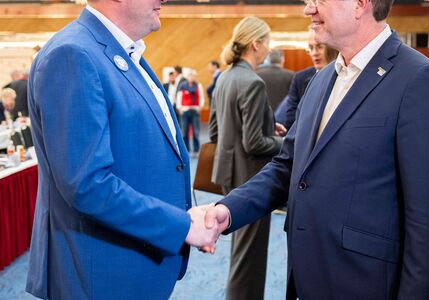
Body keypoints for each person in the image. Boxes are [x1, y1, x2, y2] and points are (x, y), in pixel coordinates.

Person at [199, 0, 429, 297]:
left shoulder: (419, 79)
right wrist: (229, 210)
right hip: (307, 278)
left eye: (318, 0)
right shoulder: (321, 80)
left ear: (360, 4)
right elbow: (287, 168)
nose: (308, 10)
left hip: (365, 284)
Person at [25, 2, 217, 299]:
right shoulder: (73, 54)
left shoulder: (122, 52)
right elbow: (86, 185)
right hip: (99, 273)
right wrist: (181, 225)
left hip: (132, 262)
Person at [208, 17, 283, 300]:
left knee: (242, 252)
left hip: (227, 175)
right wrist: (288, 142)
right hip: (250, 179)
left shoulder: (225, 77)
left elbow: (216, 131)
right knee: (249, 259)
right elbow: (254, 142)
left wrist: (267, 124)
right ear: (256, 44)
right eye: (267, 42)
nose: (268, 48)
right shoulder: (252, 81)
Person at [280, 29, 338, 129]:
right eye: (311, 48)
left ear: (332, 47)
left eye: (319, 47)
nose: (314, 53)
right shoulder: (300, 78)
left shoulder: (344, 75)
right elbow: (291, 119)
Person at [176, 70, 205, 155]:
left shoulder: (198, 85)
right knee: (185, 131)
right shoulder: (182, 86)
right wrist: (179, 108)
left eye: (193, 76)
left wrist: (200, 106)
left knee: (196, 131)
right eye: (190, 76)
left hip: (195, 110)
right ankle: (186, 150)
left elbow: (201, 97)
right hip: (185, 111)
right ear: (187, 77)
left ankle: (196, 150)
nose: (191, 78)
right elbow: (178, 97)